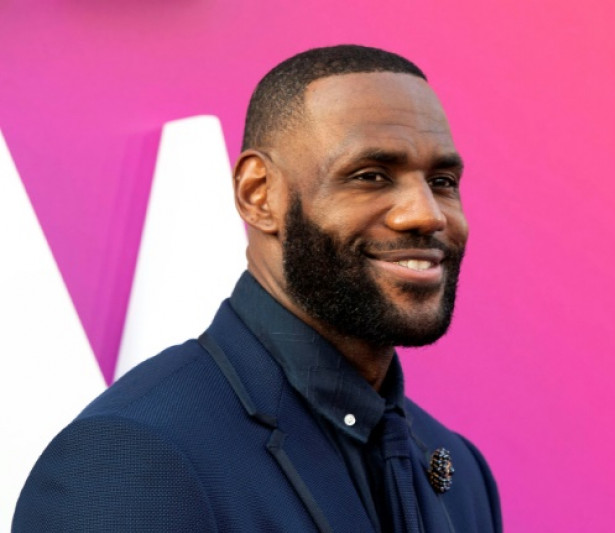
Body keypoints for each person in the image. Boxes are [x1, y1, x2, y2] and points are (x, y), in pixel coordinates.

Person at [13, 45, 502, 532]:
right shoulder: (129, 459)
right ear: (258, 195)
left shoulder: (461, 473)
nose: (426, 214)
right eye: (370, 176)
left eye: (442, 181)